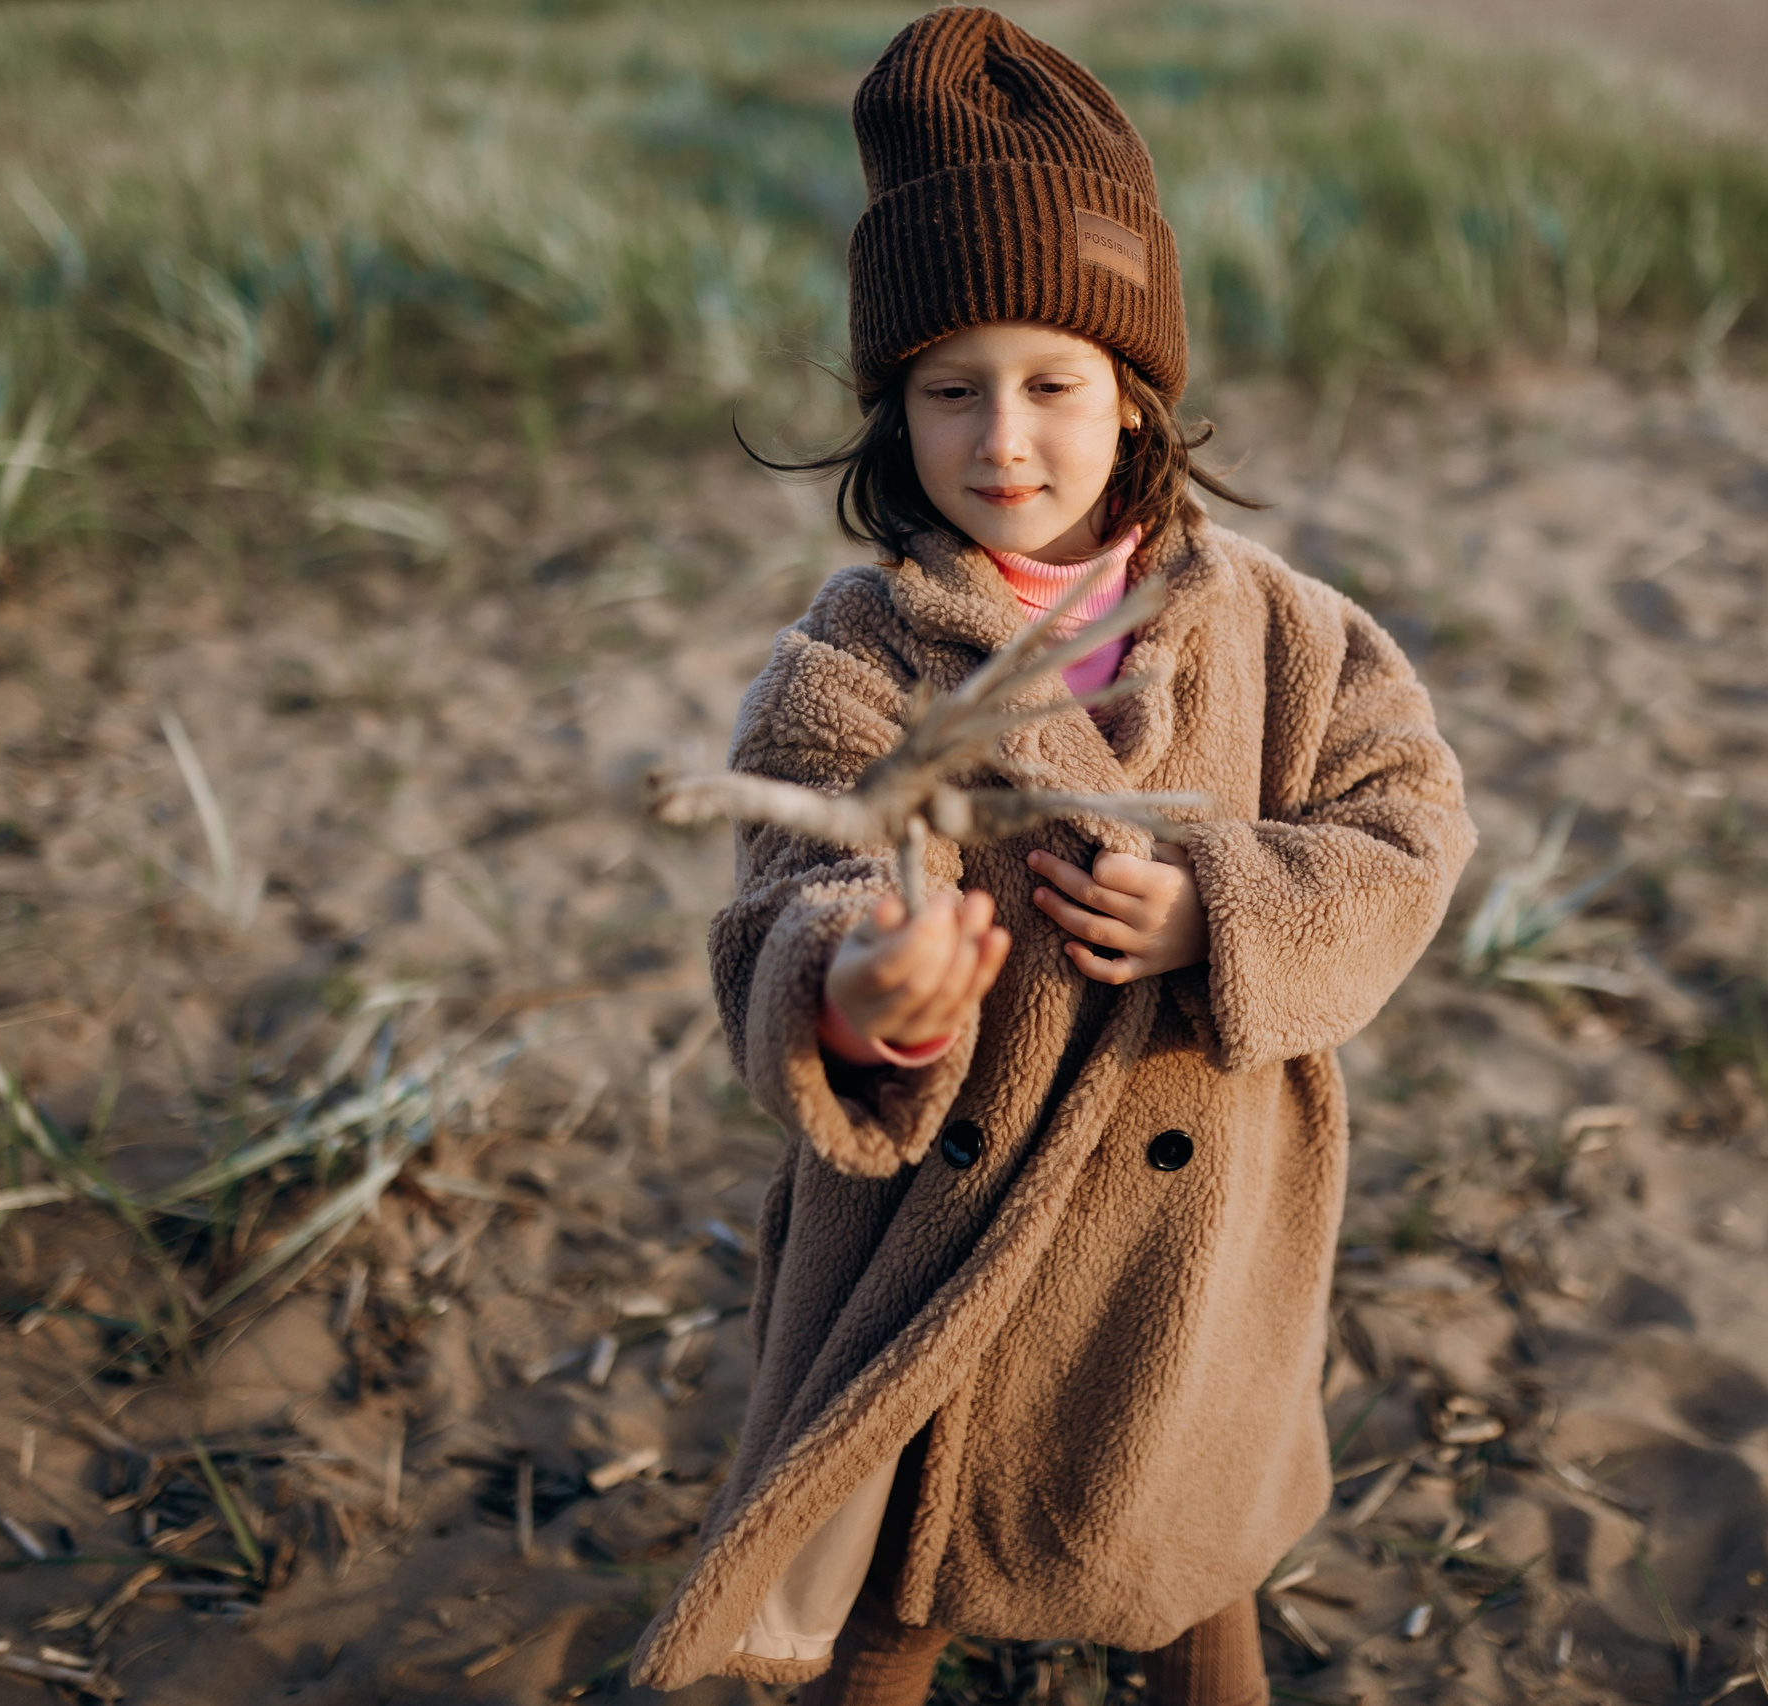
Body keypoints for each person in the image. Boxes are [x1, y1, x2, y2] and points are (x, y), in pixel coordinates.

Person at [628, 11, 1474, 1705]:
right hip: (942, 1237)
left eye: (1051, 384)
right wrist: (861, 984)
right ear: (893, 414)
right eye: (951, 391)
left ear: (1137, 393)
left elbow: (1406, 823)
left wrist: (1222, 909)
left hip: (1190, 1234)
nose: (1003, 438)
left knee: (1188, 1569)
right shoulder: (858, 653)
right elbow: (776, 897)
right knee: (895, 1584)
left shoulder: (1279, 629)